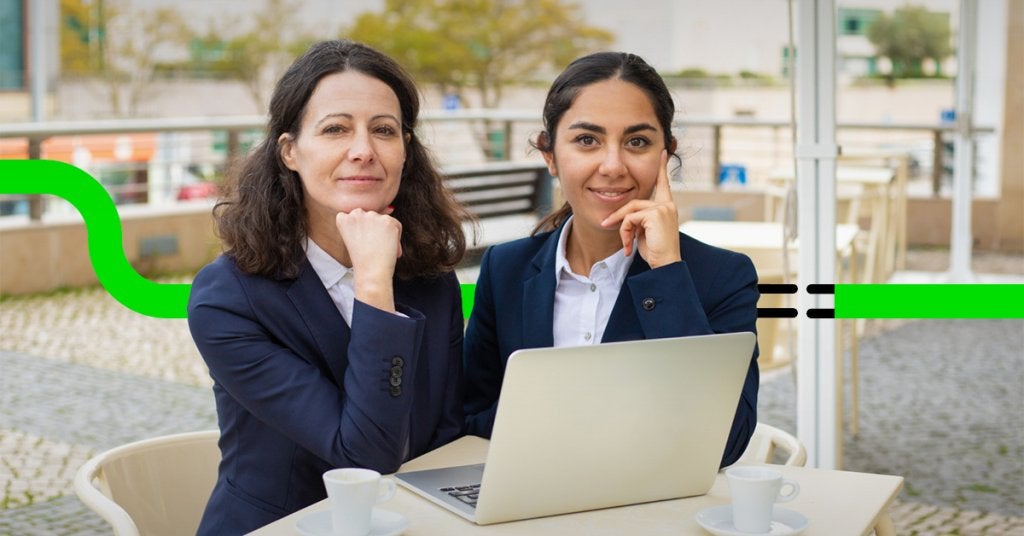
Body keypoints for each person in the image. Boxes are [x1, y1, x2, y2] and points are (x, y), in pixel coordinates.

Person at [188, 40, 469, 534]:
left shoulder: (430, 276)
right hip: (279, 526)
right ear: (290, 150)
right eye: (336, 129)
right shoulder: (227, 299)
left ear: (406, 150)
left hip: (413, 522)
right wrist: (373, 281)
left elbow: (445, 434)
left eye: (384, 130)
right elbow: (364, 455)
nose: (363, 150)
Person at [462, 51, 760, 468]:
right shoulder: (505, 270)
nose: (613, 166)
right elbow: (470, 415)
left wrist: (667, 276)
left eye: (637, 142)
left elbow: (727, 442)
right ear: (549, 154)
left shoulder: (722, 276)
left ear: (666, 155)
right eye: (587, 140)